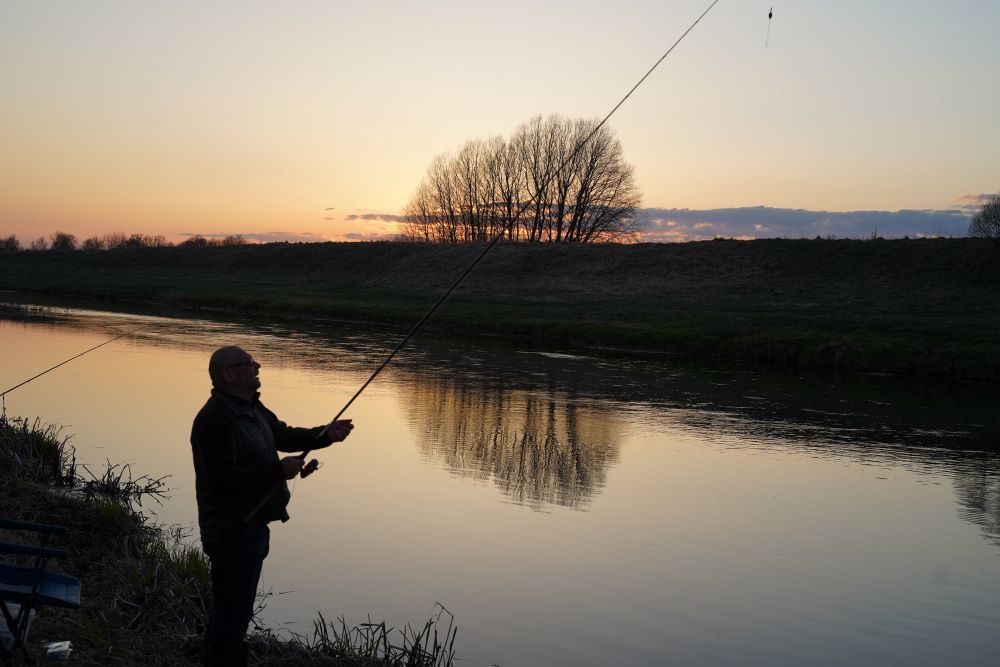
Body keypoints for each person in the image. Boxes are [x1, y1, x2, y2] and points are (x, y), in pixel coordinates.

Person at [190, 345, 353, 666]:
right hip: (230, 530)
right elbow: (221, 479)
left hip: (253, 528)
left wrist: (326, 434)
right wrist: (278, 470)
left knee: (237, 611)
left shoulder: (252, 408)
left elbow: (285, 436)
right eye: (249, 363)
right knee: (231, 615)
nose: (257, 366)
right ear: (229, 375)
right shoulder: (214, 419)